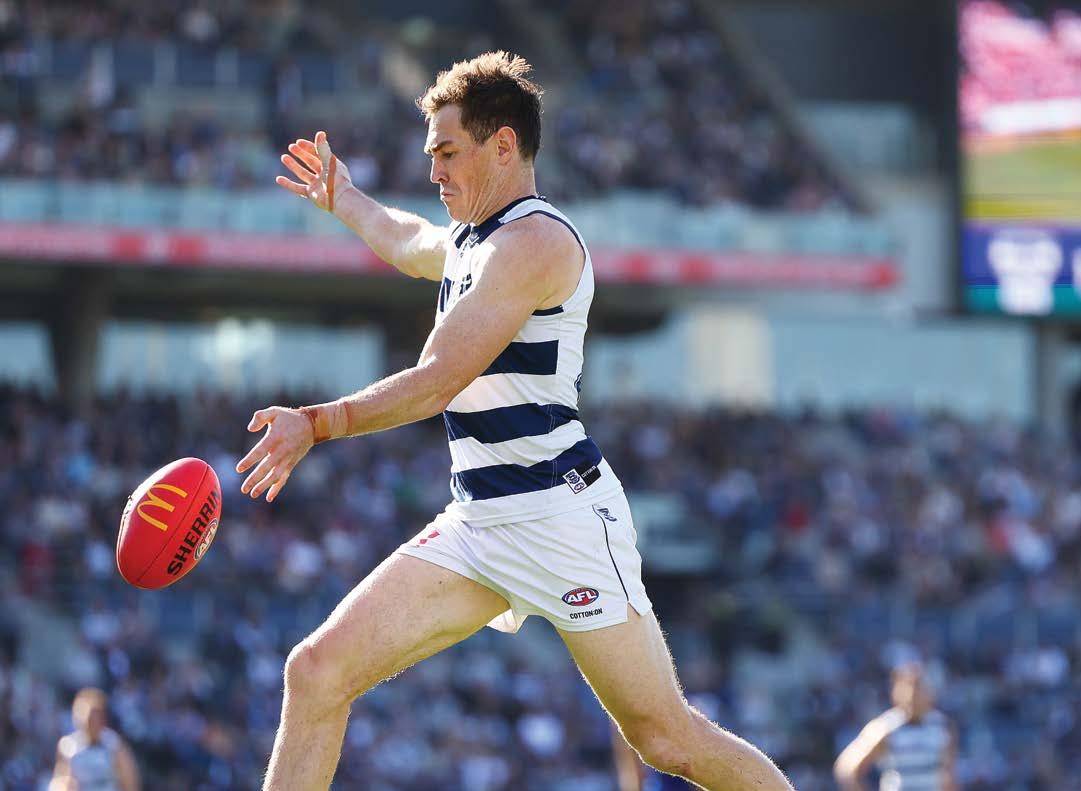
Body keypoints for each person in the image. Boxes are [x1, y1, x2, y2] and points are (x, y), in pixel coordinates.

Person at [237, 50, 794, 791]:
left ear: (503, 146)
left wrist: (315, 422)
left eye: (446, 152)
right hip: (479, 522)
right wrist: (346, 198)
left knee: (667, 739)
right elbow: (406, 238)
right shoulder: (471, 238)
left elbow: (437, 381)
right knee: (314, 671)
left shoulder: (535, 242)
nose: (433, 171)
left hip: (560, 518)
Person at [834, 663, 958, 791]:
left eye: (919, 688)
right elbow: (847, 770)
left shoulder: (942, 726)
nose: (913, 696)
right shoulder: (886, 728)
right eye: (908, 689)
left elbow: (948, 776)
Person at [49, 687, 141, 791]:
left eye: (96, 716)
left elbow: (129, 779)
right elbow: (61, 780)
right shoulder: (69, 746)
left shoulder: (113, 744)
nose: (92, 722)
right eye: (88, 717)